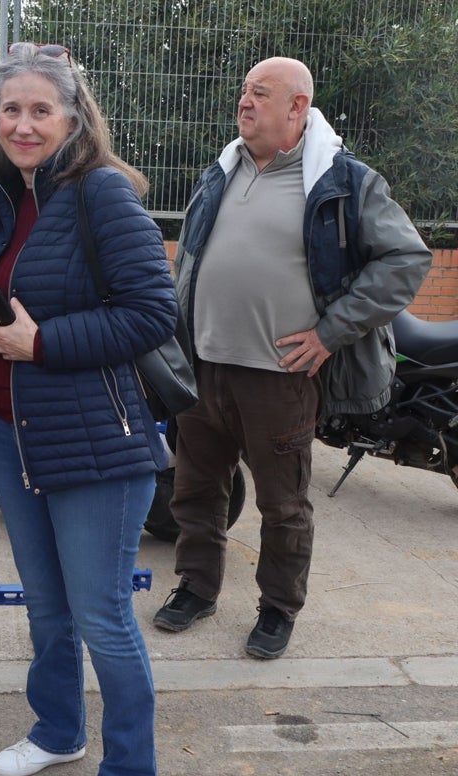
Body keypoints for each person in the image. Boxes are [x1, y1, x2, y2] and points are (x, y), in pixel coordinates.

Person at [152, 57, 431, 659]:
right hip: (204, 365)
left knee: (283, 504)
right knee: (195, 490)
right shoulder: (219, 171)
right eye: (244, 92)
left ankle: (278, 609)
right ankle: (197, 588)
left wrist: (331, 332)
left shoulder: (340, 179)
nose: (244, 103)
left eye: (260, 93)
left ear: (297, 107)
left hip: (280, 377)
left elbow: (406, 260)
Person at [0, 43, 176, 776]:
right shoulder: (4, 196)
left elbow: (152, 311)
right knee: (48, 609)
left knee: (101, 615)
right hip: (12, 435)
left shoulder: (100, 193)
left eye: (39, 110)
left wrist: (44, 343)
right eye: (10, 111)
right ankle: (59, 729)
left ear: (71, 117)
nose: (23, 124)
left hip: (96, 441)